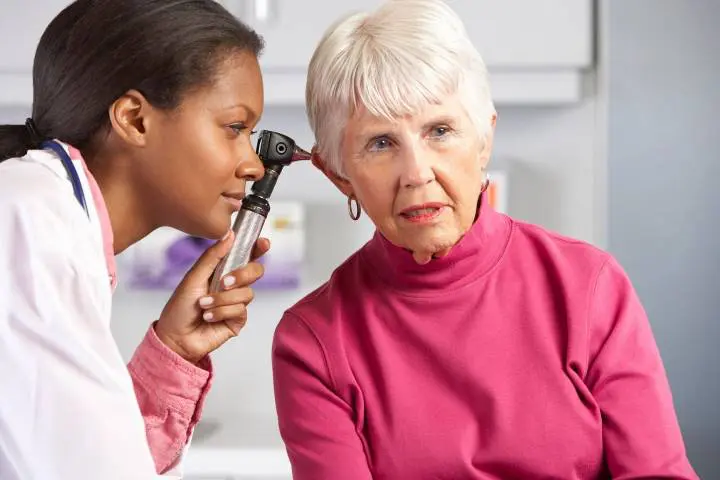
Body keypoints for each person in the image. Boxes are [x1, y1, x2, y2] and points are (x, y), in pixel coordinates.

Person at [271, 1, 698, 479]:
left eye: (440, 131)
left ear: (483, 140)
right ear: (340, 177)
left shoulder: (589, 286)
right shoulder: (313, 342)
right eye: (381, 143)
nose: (416, 174)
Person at [0, 1, 269, 478]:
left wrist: (176, 351)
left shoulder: (52, 215)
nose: (253, 165)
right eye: (234, 128)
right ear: (134, 118)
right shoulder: (30, 216)